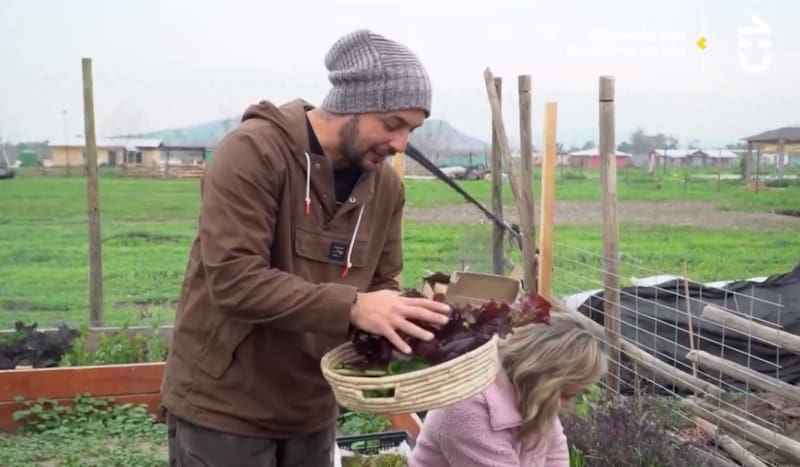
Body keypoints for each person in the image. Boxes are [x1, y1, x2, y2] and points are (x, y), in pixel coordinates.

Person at [160, 29, 451, 467]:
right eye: (392, 124)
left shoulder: (386, 187)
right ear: (351, 104)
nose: (400, 144)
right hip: (226, 409)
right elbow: (234, 281)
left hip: (312, 411)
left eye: (411, 129)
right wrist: (354, 307)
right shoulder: (254, 153)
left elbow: (381, 283)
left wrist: (409, 325)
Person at [409, 311, 608, 467]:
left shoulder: (533, 396)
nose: (566, 405)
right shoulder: (468, 408)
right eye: (565, 395)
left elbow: (555, 453)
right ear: (539, 376)